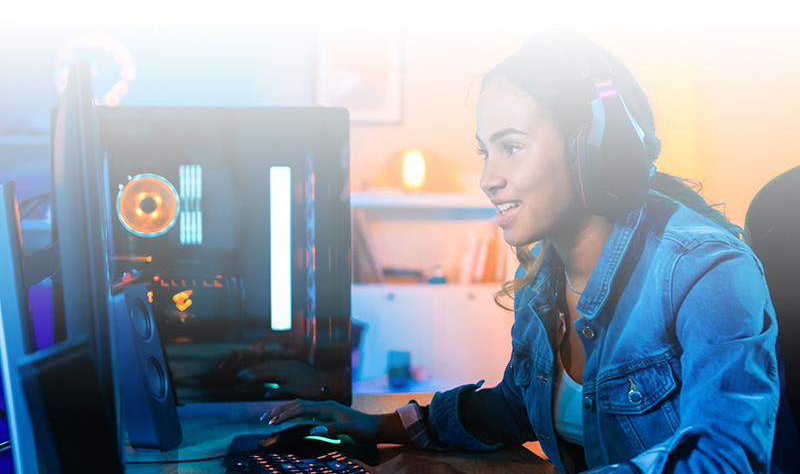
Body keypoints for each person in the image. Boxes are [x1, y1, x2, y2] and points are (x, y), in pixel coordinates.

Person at [264, 32, 785, 473]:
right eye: (483, 152)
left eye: (511, 147)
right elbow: (515, 407)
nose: (489, 179)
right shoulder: (543, 276)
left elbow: (725, 459)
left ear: (595, 153)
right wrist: (379, 427)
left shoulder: (707, 273)